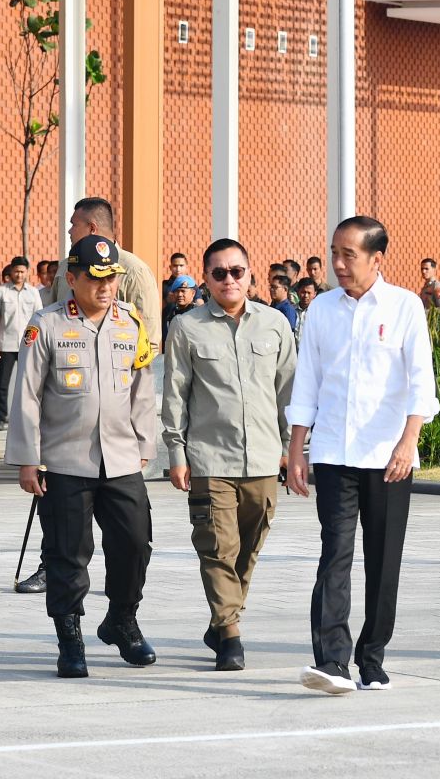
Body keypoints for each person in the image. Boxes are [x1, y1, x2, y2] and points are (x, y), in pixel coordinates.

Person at [287, 216, 439, 694]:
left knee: (383, 560)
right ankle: (331, 662)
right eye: (334, 252)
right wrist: (296, 447)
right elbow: (306, 379)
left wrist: (408, 441)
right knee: (335, 553)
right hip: (333, 451)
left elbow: (421, 382)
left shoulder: (404, 307)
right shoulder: (322, 311)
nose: (338, 264)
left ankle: (372, 658)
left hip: (389, 456)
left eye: (348, 255)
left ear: (377, 259)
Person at [6, 234, 159, 678]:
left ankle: (122, 619)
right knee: (68, 554)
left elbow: (142, 388)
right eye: (95, 277)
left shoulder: (130, 323)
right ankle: (69, 637)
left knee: (134, 544)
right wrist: (28, 458)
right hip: (65, 460)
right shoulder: (47, 324)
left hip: (122, 457)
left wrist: (145, 443)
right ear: (71, 279)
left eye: (111, 277)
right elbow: (27, 396)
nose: (105, 286)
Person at [163, 238, 297, 671]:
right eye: (218, 273)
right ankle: (231, 636)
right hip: (209, 458)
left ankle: (220, 620)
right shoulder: (187, 328)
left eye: (236, 271)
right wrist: (177, 452)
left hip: (263, 457)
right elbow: (175, 395)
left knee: (248, 549)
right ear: (205, 278)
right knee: (217, 547)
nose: (228, 280)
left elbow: (288, 392)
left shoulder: (275, 324)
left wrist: (291, 447)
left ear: (250, 274)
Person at [48, 197, 161, 346]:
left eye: (74, 225)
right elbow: (51, 319)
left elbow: (149, 336)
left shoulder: (134, 271)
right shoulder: (65, 267)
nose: (69, 231)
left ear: (92, 228)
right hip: (68, 363)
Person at [0, 256, 44, 430]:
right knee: (2, 384)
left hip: (28, 345)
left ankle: (28, 418)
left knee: (30, 383)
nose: (19, 274)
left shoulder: (33, 292)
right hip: (6, 344)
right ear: (11, 271)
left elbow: (38, 319)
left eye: (22, 271)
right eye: (16, 271)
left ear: (27, 272)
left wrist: (37, 344)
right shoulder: (0, 291)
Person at [162, 274, 200, 345]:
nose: (179, 294)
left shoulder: (199, 315)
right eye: (176, 291)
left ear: (193, 293)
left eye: (183, 291)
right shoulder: (169, 313)